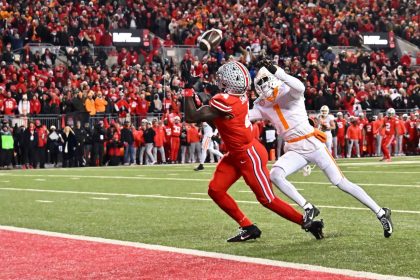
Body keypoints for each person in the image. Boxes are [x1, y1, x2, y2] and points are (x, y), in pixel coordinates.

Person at [249, 60, 393, 238]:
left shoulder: (289, 91)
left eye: (265, 83)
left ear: (274, 79)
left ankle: (380, 212)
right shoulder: (263, 104)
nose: (264, 90)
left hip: (312, 143)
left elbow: (300, 87)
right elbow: (245, 116)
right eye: (260, 86)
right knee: (276, 175)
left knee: (340, 182)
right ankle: (308, 207)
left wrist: (277, 71)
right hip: (294, 149)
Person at [183, 61, 323, 242]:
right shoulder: (235, 97)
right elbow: (211, 114)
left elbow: (192, 116)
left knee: (267, 199)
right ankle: (248, 227)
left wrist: (187, 90)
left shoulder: (224, 101)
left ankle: (310, 224)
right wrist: (197, 91)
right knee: (215, 190)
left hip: (249, 155)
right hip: (236, 154)